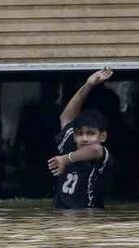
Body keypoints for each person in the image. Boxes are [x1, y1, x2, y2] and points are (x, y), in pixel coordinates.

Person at [47, 68, 114, 209]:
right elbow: (66, 117)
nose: (84, 138)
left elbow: (95, 149)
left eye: (91, 134)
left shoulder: (101, 156)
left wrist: (65, 159)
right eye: (80, 134)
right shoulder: (69, 143)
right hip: (61, 218)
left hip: (88, 219)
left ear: (102, 136)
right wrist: (88, 85)